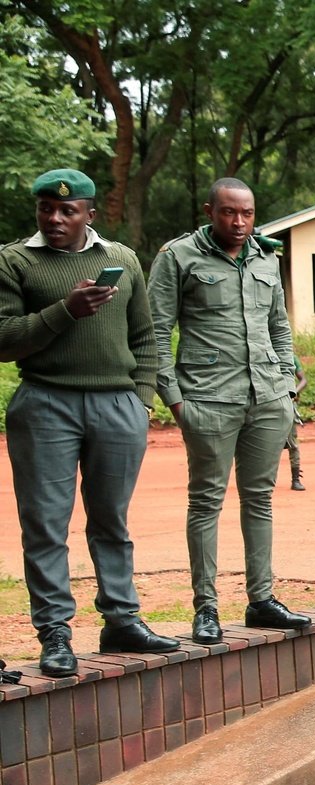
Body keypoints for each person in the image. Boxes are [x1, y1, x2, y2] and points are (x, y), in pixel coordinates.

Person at [0, 168, 180, 676]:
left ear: (89, 214)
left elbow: (146, 336)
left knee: (111, 522)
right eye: (46, 209)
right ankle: (55, 633)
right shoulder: (15, 261)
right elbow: (5, 339)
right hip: (45, 404)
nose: (55, 219)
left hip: (116, 407)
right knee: (45, 526)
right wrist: (66, 310)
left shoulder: (120, 260)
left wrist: (141, 400)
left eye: (67, 210)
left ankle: (122, 620)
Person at [149, 177, 310, 644]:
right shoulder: (177, 257)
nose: (239, 222)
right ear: (209, 211)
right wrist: (176, 401)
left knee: (259, 500)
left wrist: (286, 388)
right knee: (206, 502)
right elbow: (157, 333)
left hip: (267, 399)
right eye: (228, 213)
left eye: (247, 214)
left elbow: (279, 326)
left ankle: (261, 599)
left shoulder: (265, 257)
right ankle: (206, 607)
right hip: (207, 400)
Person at [283, 356, 306, 491]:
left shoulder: (290, 356)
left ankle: (295, 479)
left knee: (292, 443)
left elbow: (303, 380)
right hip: (266, 404)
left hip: (287, 405)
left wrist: (293, 392)